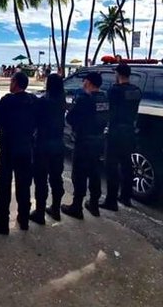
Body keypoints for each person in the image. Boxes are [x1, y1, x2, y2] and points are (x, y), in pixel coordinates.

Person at [0, 72, 37, 234]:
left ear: (15, 83)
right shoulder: (33, 101)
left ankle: (2, 221)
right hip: (26, 146)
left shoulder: (7, 100)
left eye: (11, 81)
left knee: (4, 184)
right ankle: (24, 219)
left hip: (9, 146)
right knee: (24, 184)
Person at [61, 72, 109, 219]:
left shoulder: (84, 100)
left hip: (84, 141)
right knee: (94, 173)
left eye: (84, 81)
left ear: (88, 82)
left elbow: (70, 118)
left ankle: (77, 206)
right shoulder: (104, 98)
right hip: (99, 140)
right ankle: (94, 204)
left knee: (79, 174)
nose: (83, 84)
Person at [102, 63, 142, 210]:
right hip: (129, 130)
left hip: (115, 130)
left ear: (118, 74)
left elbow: (108, 107)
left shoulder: (114, 90)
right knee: (127, 165)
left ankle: (111, 201)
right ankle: (126, 197)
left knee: (111, 166)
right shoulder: (136, 91)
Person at [30, 73, 66, 223]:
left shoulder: (43, 101)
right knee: (56, 178)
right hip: (58, 142)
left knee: (41, 179)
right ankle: (56, 209)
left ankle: (40, 212)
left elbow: (34, 120)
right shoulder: (62, 99)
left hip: (43, 143)